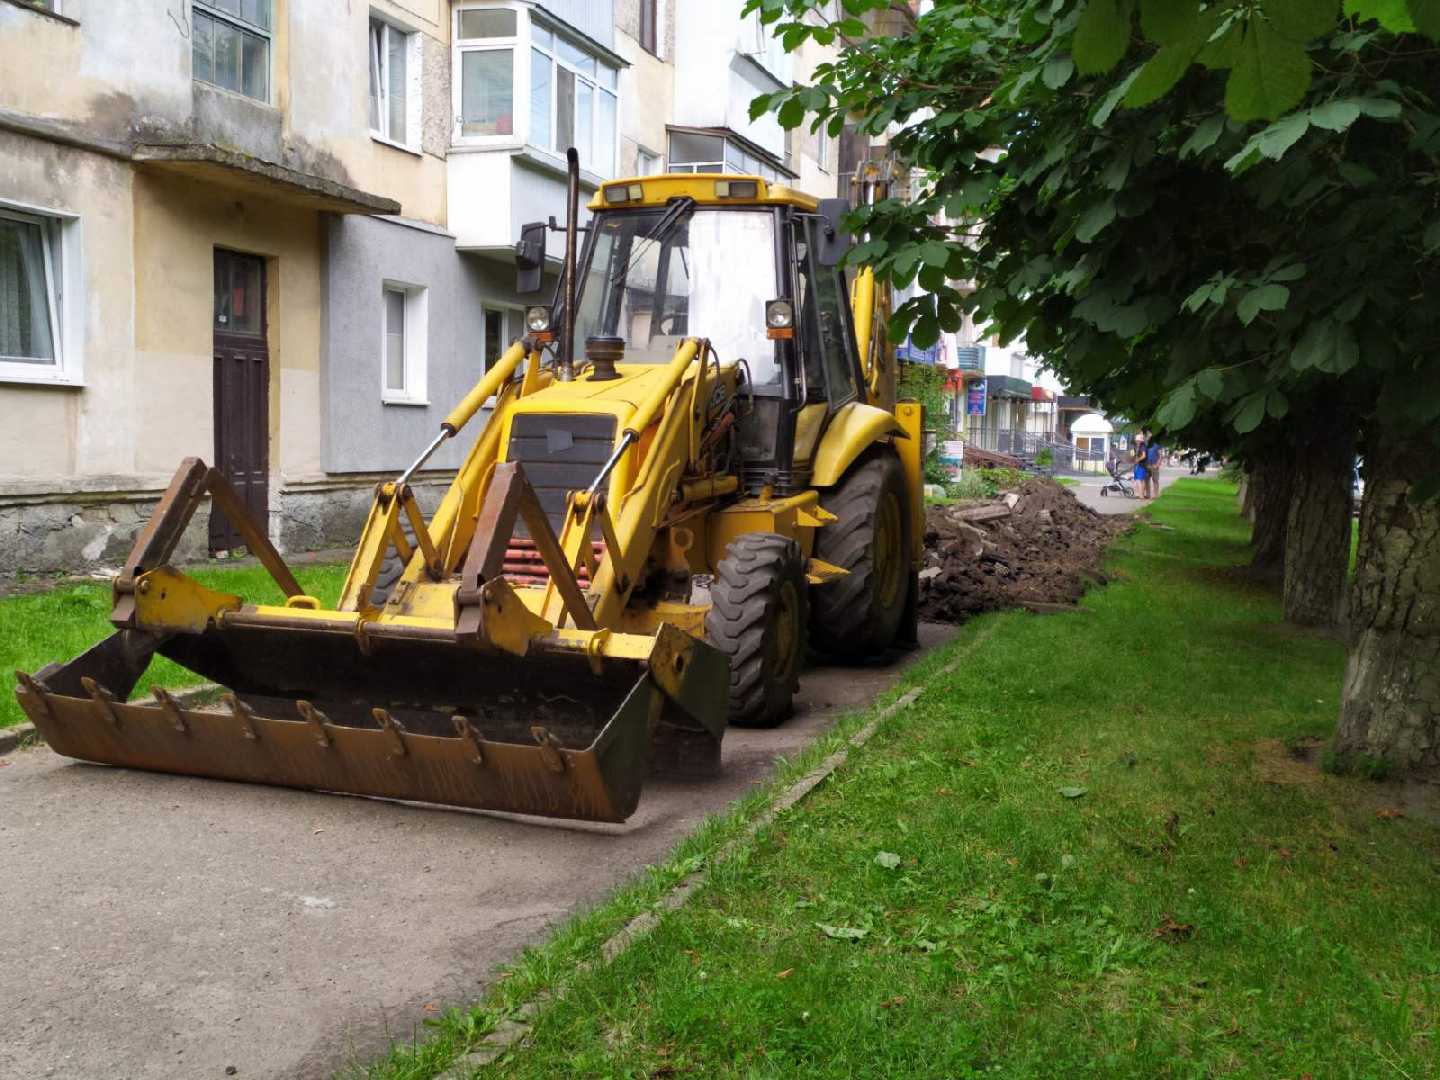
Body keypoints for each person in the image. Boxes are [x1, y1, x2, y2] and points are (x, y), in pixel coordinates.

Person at [1144, 431, 1162, 498]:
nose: (1149, 436)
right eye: (1148, 434)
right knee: (1146, 480)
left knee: (1155, 480)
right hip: (1147, 465)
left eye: (1150, 434)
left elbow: (1160, 455)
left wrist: (1157, 464)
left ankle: (1156, 495)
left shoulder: (1157, 444)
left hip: (1154, 465)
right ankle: (1148, 494)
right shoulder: (1146, 444)